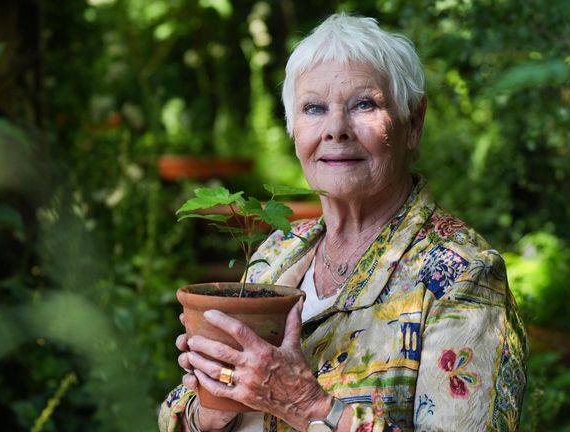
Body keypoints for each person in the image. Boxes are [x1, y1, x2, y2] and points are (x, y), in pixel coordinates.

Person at [159, 13, 528, 432]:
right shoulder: (279, 252)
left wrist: (308, 405)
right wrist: (212, 408)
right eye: (314, 108)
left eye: (364, 104)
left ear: (414, 123)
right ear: (294, 130)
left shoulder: (460, 275)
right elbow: (177, 413)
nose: (336, 129)